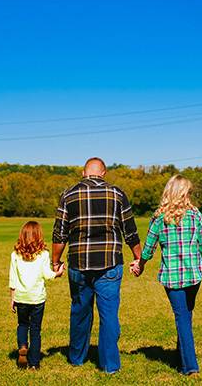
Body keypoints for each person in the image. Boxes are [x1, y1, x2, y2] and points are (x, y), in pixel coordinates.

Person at [52, 157, 141, 374]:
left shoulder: (68, 195)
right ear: (104, 173)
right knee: (109, 314)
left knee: (80, 312)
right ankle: (110, 365)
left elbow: (59, 234)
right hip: (109, 264)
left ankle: (76, 358)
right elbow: (130, 230)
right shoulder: (117, 194)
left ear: (84, 173)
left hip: (79, 264)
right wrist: (138, 257)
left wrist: (55, 261)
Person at [131, 174, 202, 377]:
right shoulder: (195, 214)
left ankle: (190, 367)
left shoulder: (159, 217)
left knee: (183, 317)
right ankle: (183, 356)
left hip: (173, 277)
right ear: (183, 193)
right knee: (186, 315)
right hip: (194, 275)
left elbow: (148, 248)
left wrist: (140, 264)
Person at [9, 220, 65, 370]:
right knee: (35, 330)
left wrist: (12, 298)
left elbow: (13, 278)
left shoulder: (15, 255)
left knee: (22, 325)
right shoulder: (43, 255)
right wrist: (57, 273)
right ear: (39, 236)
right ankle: (34, 363)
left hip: (21, 297)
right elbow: (47, 274)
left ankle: (22, 346)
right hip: (37, 299)